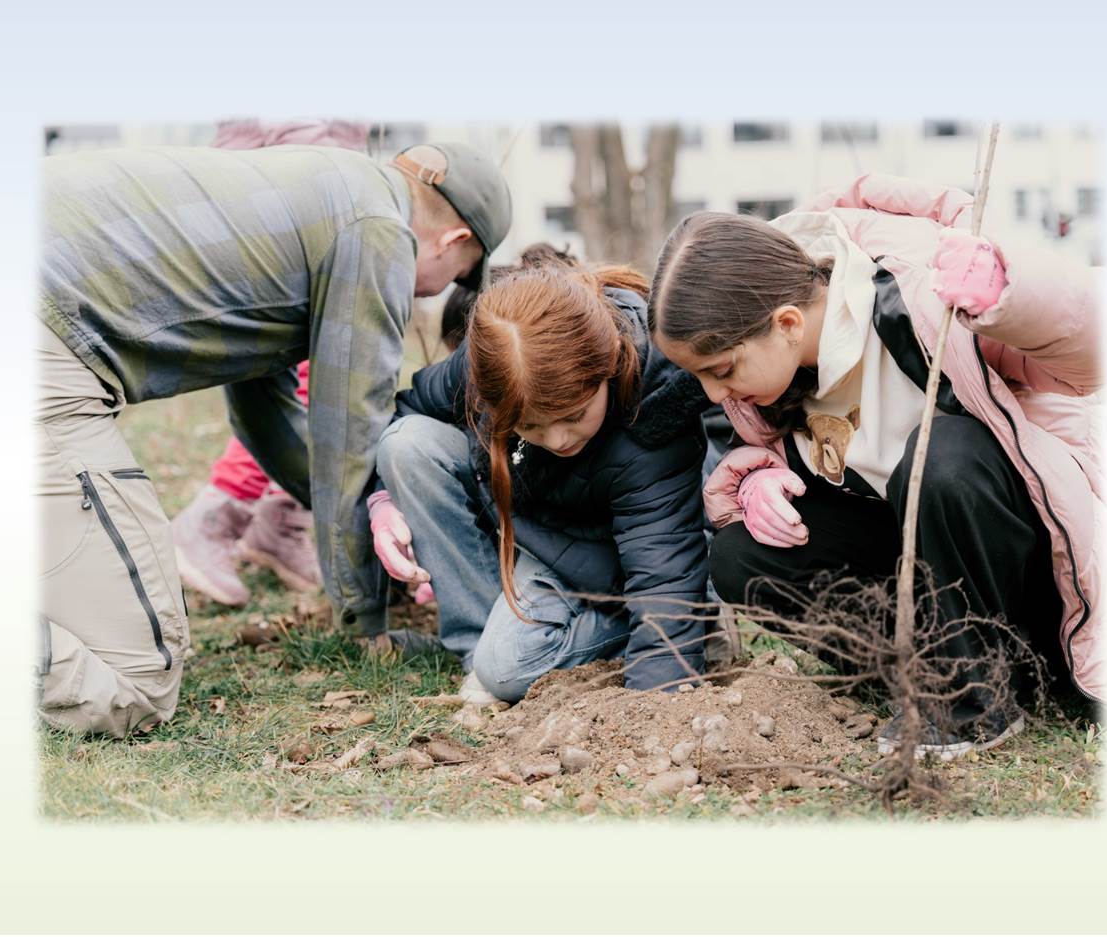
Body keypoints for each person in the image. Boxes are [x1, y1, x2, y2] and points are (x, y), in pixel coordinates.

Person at [37, 139, 511, 736]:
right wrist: (365, 620)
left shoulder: (323, 189)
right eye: (453, 280)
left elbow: (269, 415)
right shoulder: (379, 231)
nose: (429, 294)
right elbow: (350, 435)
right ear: (453, 241)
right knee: (135, 684)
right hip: (41, 319)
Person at [649, 173, 1104, 760]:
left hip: (1028, 572)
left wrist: (1010, 299)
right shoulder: (770, 384)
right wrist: (764, 474)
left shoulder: (919, 294)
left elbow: (1092, 357)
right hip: (928, 579)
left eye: (722, 370)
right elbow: (835, 470)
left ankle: (971, 700)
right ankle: (927, 672)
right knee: (743, 557)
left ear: (787, 324)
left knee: (938, 457)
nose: (715, 395)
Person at [371, 254, 714, 703]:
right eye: (530, 426)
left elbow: (662, 571)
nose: (557, 438)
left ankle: (533, 652)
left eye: (574, 415)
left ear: (608, 364)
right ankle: (478, 653)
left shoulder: (651, 418)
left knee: (510, 667)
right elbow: (410, 409)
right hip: (537, 530)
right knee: (406, 445)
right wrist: (381, 503)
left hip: (617, 565)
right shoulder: (491, 362)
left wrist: (661, 689)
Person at [169, 119, 369, 608]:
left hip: (309, 160)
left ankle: (280, 520)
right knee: (300, 368)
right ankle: (217, 516)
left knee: (314, 364)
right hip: (290, 170)